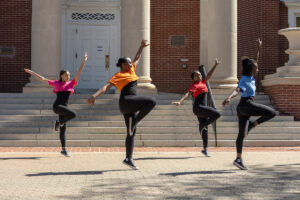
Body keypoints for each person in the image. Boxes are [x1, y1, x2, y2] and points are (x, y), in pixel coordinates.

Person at [87, 40, 156, 170]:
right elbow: (106, 87)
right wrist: (94, 96)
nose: (131, 64)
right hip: (126, 102)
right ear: (123, 64)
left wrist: (141, 46)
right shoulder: (118, 75)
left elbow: (137, 58)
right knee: (151, 101)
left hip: (130, 105)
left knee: (131, 133)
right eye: (128, 62)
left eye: (131, 62)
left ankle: (128, 158)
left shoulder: (132, 70)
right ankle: (135, 121)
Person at [222, 39, 276, 170]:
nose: (258, 68)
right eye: (256, 67)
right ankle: (252, 124)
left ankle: (238, 159)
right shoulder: (245, 79)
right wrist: (229, 97)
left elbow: (255, 61)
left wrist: (258, 48)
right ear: (252, 69)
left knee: (241, 134)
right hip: (246, 105)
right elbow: (237, 90)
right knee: (271, 113)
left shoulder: (251, 77)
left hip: (242, 108)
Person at [24, 53, 88, 157]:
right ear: (61, 75)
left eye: (69, 75)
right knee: (73, 114)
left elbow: (79, 73)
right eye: (66, 75)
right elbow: (42, 79)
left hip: (64, 108)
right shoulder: (56, 83)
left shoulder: (71, 83)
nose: (68, 76)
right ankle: (58, 123)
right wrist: (31, 72)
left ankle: (63, 149)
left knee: (63, 129)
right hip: (57, 107)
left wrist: (84, 61)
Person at [172, 58, 221, 157]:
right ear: (193, 78)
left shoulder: (203, 82)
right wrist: (180, 101)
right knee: (217, 114)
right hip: (198, 108)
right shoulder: (194, 85)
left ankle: (205, 149)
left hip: (202, 108)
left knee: (205, 129)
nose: (199, 75)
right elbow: (188, 94)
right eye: (196, 75)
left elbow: (209, 75)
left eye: (199, 74)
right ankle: (202, 126)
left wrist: (215, 65)